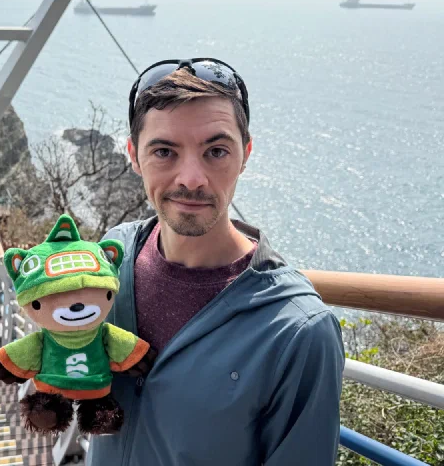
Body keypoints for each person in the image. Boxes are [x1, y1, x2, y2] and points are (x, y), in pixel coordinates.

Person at [86, 59, 345, 466]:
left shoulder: (296, 332)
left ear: (245, 154)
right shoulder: (111, 259)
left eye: (216, 151)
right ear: (134, 155)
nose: (192, 178)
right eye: (164, 151)